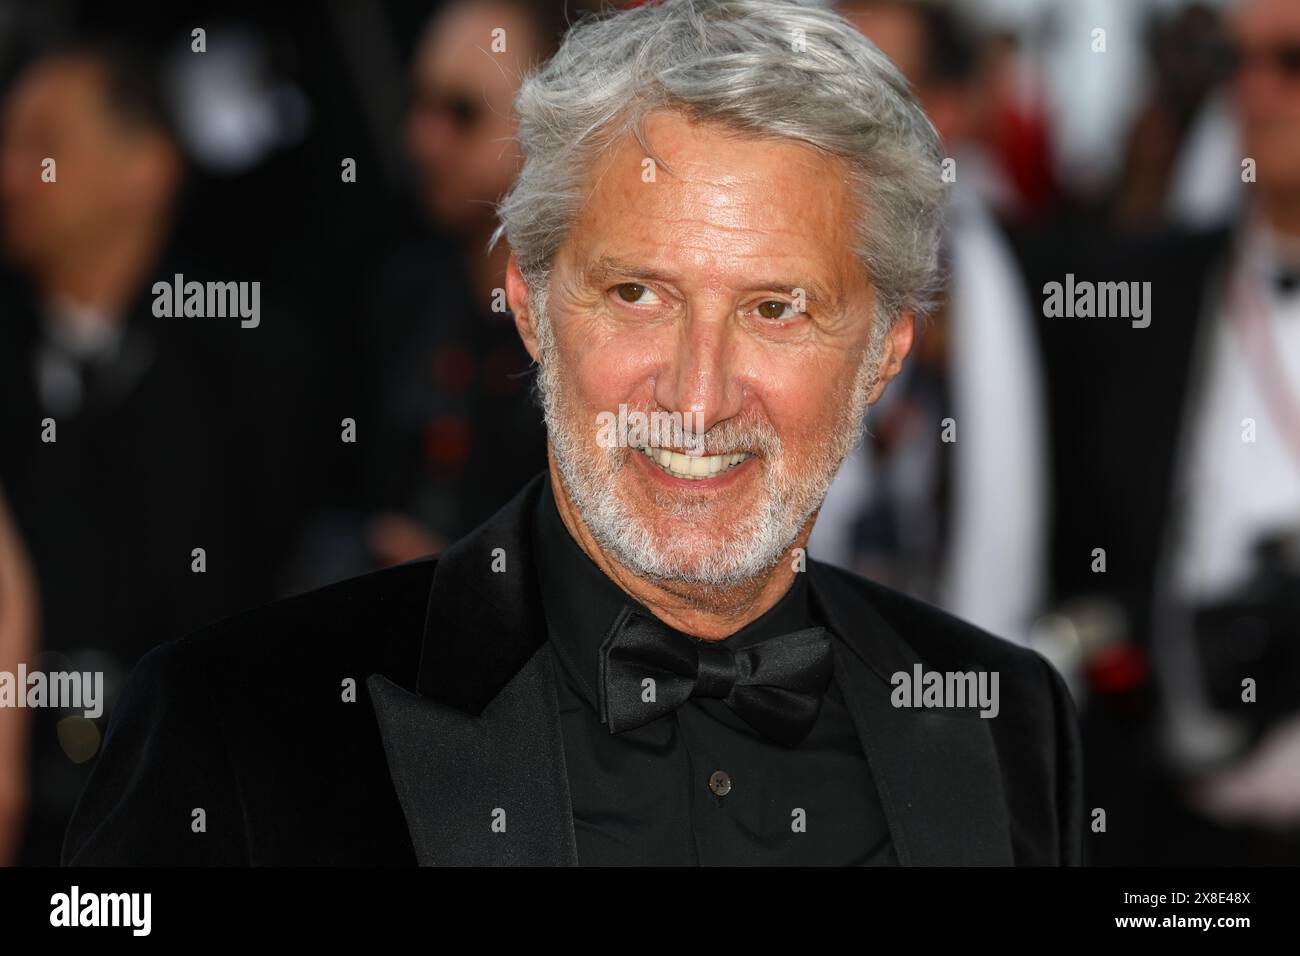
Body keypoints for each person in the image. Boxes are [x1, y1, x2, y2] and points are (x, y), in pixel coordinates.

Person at [63, 0, 1081, 867]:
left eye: (776, 307)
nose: (696, 393)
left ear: (885, 352)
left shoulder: (1005, 726)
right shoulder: (240, 729)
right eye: (637, 293)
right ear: (532, 307)